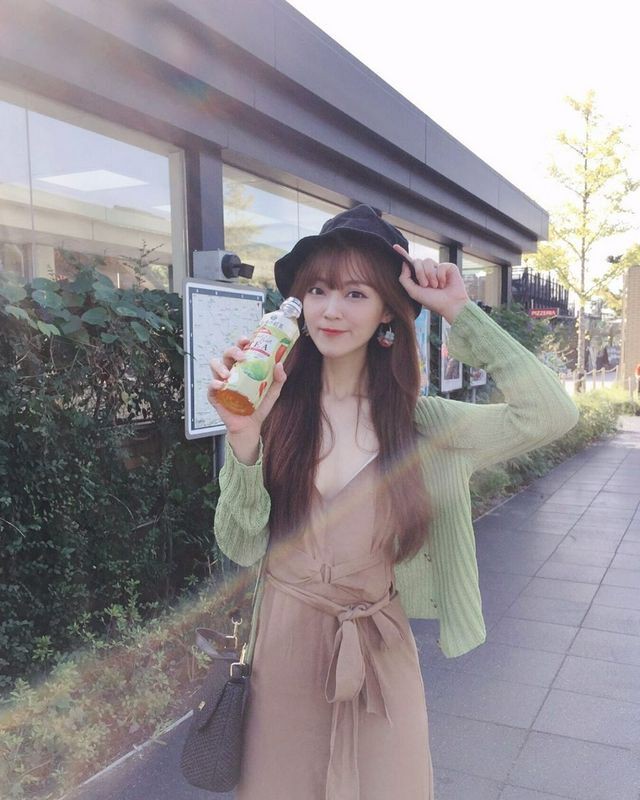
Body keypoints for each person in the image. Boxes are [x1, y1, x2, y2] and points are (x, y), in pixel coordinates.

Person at [208, 204, 579, 800]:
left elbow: (550, 414)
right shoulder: (270, 411)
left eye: (356, 293)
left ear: (387, 310)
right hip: (284, 649)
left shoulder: (423, 425)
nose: (330, 310)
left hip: (378, 652)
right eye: (318, 290)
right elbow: (240, 544)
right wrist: (244, 438)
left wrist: (458, 310)